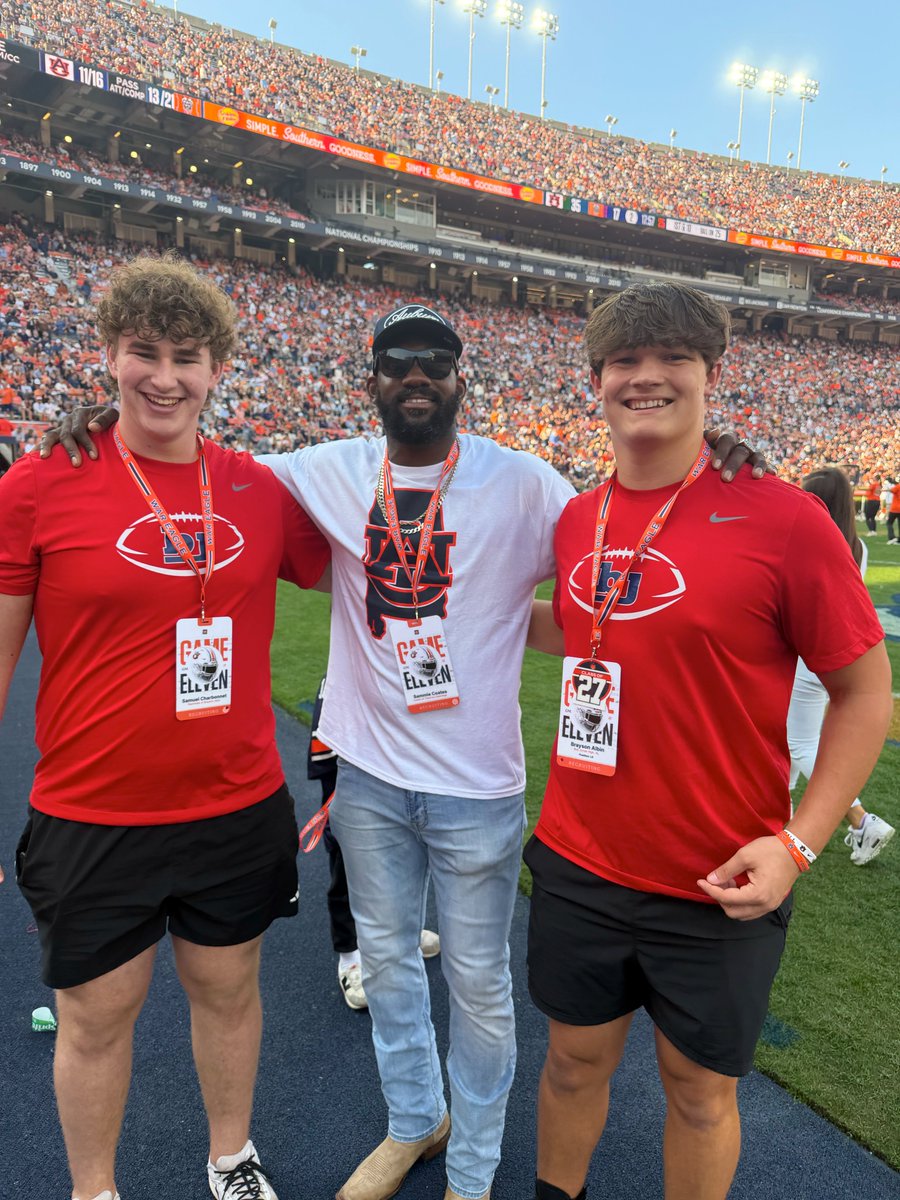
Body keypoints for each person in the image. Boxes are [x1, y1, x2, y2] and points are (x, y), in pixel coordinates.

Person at [44, 299, 764, 1200]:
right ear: (372, 382)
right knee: (387, 970)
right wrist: (100, 420)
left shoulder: (529, 484)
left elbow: (618, 549)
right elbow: (179, 450)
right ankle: (414, 1123)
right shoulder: (321, 470)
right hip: (369, 775)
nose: (416, 374)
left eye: (435, 360)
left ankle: (472, 1169)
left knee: (479, 990)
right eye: (397, 362)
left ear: (462, 378)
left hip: (477, 785)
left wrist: (718, 455)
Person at [524, 282, 891, 1200]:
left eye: (672, 359)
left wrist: (799, 842)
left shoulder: (786, 520)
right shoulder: (577, 518)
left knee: (698, 1091)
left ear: (711, 375)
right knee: (571, 1064)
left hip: (721, 876)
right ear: (597, 383)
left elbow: (862, 689)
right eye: (624, 363)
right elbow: (591, 630)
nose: (646, 377)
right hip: (582, 857)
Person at [0, 255, 330, 1200]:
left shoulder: (259, 487)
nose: (164, 375)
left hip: (233, 802)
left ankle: (231, 1158)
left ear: (218, 369)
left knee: (228, 997)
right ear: (108, 353)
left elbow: (377, 554)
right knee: (96, 1016)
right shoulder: (40, 483)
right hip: (94, 809)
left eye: (187, 356)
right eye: (143, 351)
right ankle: (93, 1188)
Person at [305, 676, 441, 1011]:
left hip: (406, 717)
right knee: (348, 856)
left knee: (410, 842)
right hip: (353, 715)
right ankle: (350, 956)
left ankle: (403, 929)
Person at [787, 468, 895, 865]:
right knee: (793, 738)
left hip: (806, 655)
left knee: (799, 741)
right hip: (836, 655)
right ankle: (781, 818)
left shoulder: (812, 540)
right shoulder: (858, 545)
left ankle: (861, 820)